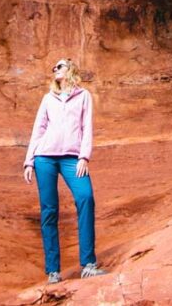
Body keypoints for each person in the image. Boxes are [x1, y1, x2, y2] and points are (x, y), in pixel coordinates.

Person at [23, 57, 108, 284]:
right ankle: (53, 271)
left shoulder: (83, 96)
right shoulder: (48, 98)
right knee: (49, 210)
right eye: (54, 68)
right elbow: (39, 129)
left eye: (59, 66)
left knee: (85, 197)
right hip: (44, 158)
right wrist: (29, 161)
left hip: (72, 158)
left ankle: (88, 265)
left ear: (70, 69)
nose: (55, 69)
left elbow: (87, 127)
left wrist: (84, 157)